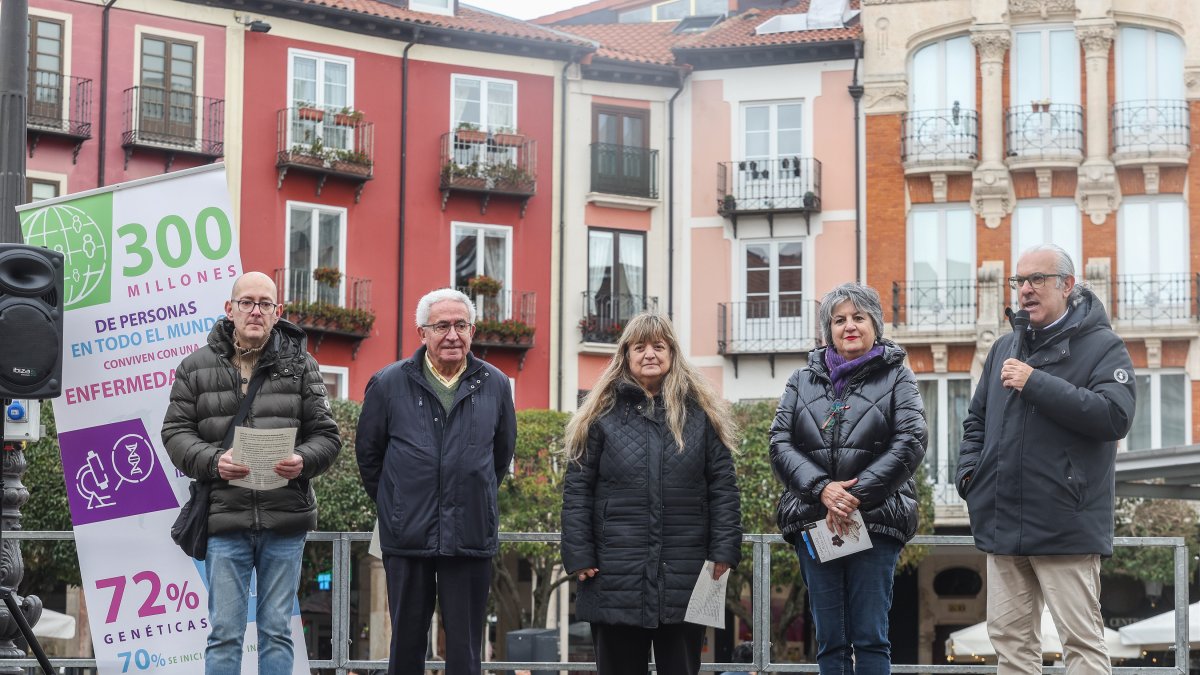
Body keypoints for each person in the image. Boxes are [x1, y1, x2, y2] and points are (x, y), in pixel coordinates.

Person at [956, 244, 1136, 675]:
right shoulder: (1003, 348)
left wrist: (1036, 382)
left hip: (1065, 525)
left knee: (1082, 642)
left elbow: (1115, 416)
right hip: (1003, 523)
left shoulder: (1102, 346)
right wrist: (971, 477)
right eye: (1020, 281)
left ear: (1067, 285)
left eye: (1037, 280)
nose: (1025, 291)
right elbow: (976, 421)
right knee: (1010, 644)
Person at [162, 271, 342, 675]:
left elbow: (327, 437)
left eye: (264, 303)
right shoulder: (195, 367)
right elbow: (174, 433)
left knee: (277, 631)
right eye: (247, 302)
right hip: (225, 517)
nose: (255, 311)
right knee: (224, 632)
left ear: (278, 313)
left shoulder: (302, 366)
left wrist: (302, 459)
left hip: (285, 517)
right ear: (230, 309)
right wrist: (213, 461)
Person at [561, 312, 742, 675]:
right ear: (625, 354)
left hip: (685, 573)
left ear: (672, 353)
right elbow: (577, 489)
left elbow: (723, 486)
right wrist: (579, 553)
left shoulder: (701, 415)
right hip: (613, 576)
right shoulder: (599, 415)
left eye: (659, 346)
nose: (650, 354)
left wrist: (724, 551)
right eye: (640, 347)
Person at [355, 288, 516, 675]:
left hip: (470, 533)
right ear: (422, 333)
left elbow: (500, 456)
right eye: (442, 325)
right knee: (406, 644)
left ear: (473, 331)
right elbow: (369, 457)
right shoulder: (388, 383)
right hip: (407, 535)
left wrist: (470, 495)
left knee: (465, 647)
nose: (452, 335)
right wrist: (397, 506)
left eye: (461, 325)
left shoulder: (495, 384)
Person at [770, 282, 927, 675]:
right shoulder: (800, 380)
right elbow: (779, 443)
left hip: (876, 521)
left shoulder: (898, 377)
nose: (849, 327)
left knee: (872, 637)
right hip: (814, 520)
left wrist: (854, 496)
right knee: (830, 641)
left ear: (875, 323)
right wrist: (823, 490)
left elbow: (911, 440)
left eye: (859, 317)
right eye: (839, 320)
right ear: (828, 330)